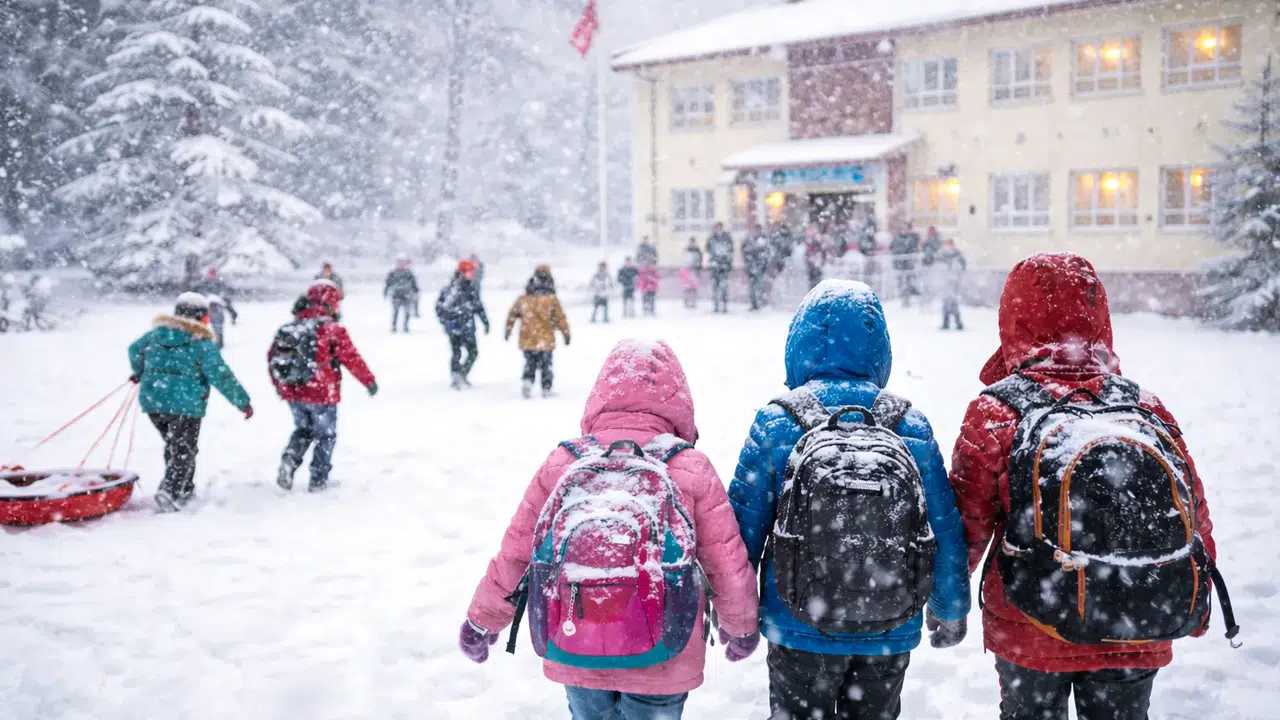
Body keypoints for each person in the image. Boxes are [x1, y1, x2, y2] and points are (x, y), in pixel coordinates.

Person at [948, 253, 1222, 720]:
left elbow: (968, 523)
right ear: (1101, 316)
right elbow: (1191, 508)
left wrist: (948, 596)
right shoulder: (1144, 406)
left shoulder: (998, 412)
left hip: (1031, 618)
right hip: (1137, 613)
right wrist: (1195, 597)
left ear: (1013, 318)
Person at [460, 340, 760, 719]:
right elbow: (725, 562)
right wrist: (741, 626)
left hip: (576, 641)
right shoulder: (689, 467)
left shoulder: (565, 462)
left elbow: (518, 552)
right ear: (680, 401)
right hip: (664, 652)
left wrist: (482, 619)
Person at [729, 280, 971, 720]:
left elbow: (743, 530)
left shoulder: (777, 422)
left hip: (798, 621)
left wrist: (736, 614)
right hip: (890, 621)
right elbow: (944, 528)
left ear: (797, 344)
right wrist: (950, 606)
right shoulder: (908, 423)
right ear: (880, 349)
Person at [128, 292, 253, 511]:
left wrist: (139, 371)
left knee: (176, 445)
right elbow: (222, 376)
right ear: (200, 317)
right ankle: (171, 491)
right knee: (183, 449)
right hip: (186, 405)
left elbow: (134, 350)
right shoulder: (200, 344)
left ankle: (184, 488)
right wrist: (242, 401)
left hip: (154, 403)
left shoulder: (155, 336)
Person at [270, 280, 377, 492]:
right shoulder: (331, 329)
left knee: (303, 429)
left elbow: (272, 359)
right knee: (325, 435)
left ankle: (289, 460)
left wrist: (280, 386)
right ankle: (318, 479)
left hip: (294, 392)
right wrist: (369, 380)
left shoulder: (290, 328)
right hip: (321, 393)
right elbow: (351, 358)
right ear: (329, 302)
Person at [505, 265, 570, 398]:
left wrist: (508, 330)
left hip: (527, 338)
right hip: (545, 339)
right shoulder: (551, 299)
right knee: (546, 365)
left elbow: (512, 315)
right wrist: (566, 334)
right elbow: (560, 319)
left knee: (530, 363)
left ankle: (527, 383)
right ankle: (546, 388)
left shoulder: (523, 299)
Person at [436, 259, 489, 389]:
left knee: (463, 352)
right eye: (470, 272)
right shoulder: (460, 289)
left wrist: (485, 322)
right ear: (463, 272)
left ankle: (458, 375)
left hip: (460, 326)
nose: (472, 275)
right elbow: (439, 308)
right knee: (464, 352)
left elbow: (478, 307)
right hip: (461, 326)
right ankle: (459, 375)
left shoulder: (456, 288)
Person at [194, 267, 238, 348]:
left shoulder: (220, 284)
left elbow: (226, 298)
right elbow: (197, 295)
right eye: (211, 273)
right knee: (202, 326)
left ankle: (219, 342)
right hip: (205, 308)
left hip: (216, 308)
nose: (212, 275)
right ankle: (204, 342)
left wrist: (232, 313)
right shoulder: (204, 284)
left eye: (213, 273)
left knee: (217, 326)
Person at [384, 257, 420, 333]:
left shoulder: (409, 273)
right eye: (399, 263)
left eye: (403, 263)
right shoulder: (393, 273)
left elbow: (414, 284)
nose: (401, 265)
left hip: (407, 295)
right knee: (395, 312)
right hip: (396, 296)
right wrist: (386, 292)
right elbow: (388, 284)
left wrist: (415, 292)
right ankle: (394, 326)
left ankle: (406, 326)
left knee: (407, 312)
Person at [938, 240, 967, 331]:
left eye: (949, 245)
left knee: (953, 302)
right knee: (946, 302)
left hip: (954, 282)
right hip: (945, 282)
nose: (947, 247)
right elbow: (938, 267)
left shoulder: (957, 255)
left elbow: (961, 267)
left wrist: (956, 274)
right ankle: (947, 322)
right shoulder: (942, 255)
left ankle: (957, 323)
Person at [706, 222, 734, 314]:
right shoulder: (711, 239)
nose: (718, 230)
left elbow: (730, 251)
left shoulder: (727, 238)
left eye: (719, 228)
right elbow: (708, 250)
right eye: (716, 228)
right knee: (715, 287)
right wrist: (711, 263)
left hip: (724, 266)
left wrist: (728, 263)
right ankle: (716, 305)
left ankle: (724, 305)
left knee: (724, 287)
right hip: (715, 266)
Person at [890, 223, 921, 305]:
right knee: (901, 282)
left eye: (905, 229)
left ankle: (907, 298)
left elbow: (914, 245)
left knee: (908, 281)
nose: (904, 231)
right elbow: (892, 247)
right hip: (899, 265)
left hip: (907, 265)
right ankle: (904, 298)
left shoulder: (911, 238)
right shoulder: (897, 238)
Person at [742, 224, 770, 311]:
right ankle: (753, 304)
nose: (755, 232)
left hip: (760, 268)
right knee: (752, 287)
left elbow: (766, 254)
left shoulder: (763, 241)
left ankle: (759, 303)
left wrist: (762, 264)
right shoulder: (748, 240)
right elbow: (744, 252)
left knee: (759, 286)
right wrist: (748, 262)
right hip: (751, 268)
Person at [801, 223, 829, 290]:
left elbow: (824, 249)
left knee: (817, 279)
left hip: (817, 261)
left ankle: (816, 291)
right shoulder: (809, 239)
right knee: (812, 280)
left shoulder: (818, 238)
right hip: (812, 261)